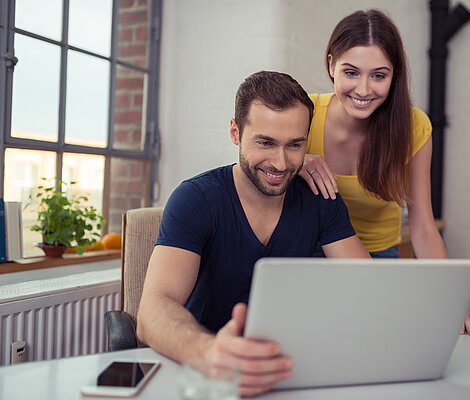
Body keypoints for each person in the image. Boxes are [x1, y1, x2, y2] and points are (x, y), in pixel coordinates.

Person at [136, 70, 369, 397]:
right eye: (265, 142)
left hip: (289, 373)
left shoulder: (320, 199)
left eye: (295, 145)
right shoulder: (196, 199)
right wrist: (208, 351)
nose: (281, 162)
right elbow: (151, 312)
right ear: (235, 132)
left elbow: (370, 290)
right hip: (210, 377)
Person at [298, 9, 470, 336]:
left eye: (379, 75)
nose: (364, 89)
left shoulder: (413, 128)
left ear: (394, 75)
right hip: (309, 257)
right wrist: (296, 160)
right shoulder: (304, 114)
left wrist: (449, 297)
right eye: (351, 72)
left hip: (378, 261)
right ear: (331, 65)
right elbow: (253, 163)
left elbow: (424, 225)